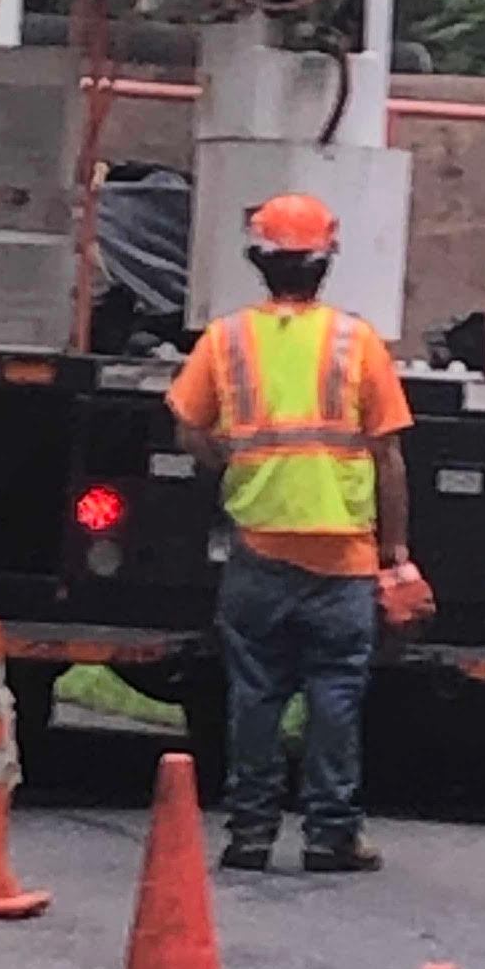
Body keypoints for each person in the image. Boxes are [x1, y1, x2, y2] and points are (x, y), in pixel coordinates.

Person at [167, 193, 412, 873]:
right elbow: (388, 456)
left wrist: (232, 460)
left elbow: (189, 427)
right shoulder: (356, 342)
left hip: (260, 549)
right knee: (336, 694)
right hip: (343, 557)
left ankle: (250, 832)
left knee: (256, 693)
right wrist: (395, 553)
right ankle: (331, 835)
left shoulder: (226, 340)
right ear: (325, 264)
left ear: (258, 262)